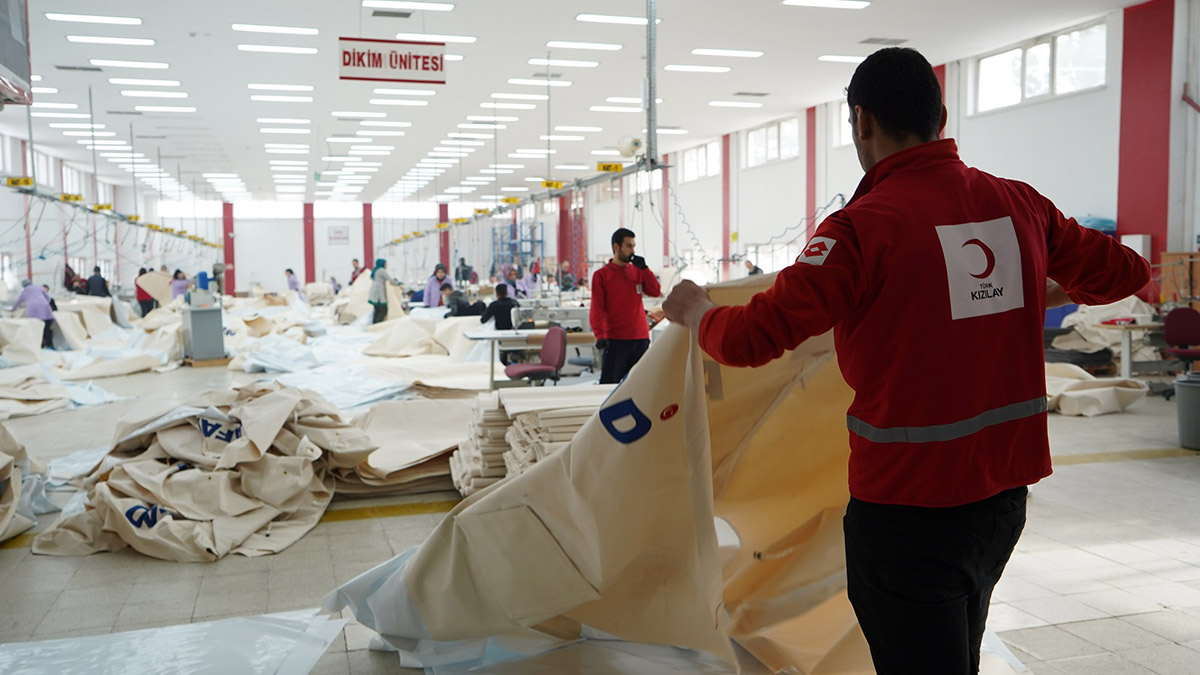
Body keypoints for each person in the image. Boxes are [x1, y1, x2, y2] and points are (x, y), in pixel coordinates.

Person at [662, 47, 1150, 675]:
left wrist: (699, 310)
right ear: (940, 115)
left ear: (862, 121)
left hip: (907, 514)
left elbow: (751, 339)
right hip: (1002, 498)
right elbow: (1127, 272)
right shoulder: (1020, 205)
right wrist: (1032, 290)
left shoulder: (861, 230)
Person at [591, 227, 661, 384]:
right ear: (616, 247)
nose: (632, 250)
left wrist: (645, 269)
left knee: (639, 385)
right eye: (628, 246)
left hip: (640, 338)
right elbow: (597, 308)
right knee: (610, 385)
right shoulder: (602, 276)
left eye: (633, 246)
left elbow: (655, 291)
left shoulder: (637, 271)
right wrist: (600, 335)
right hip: (616, 340)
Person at [12, 279, 55, 349]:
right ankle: (49, 345)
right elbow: (48, 297)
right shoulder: (39, 287)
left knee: (36, 328)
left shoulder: (25, 291)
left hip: (33, 309)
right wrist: (45, 302)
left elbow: (18, 301)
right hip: (44, 307)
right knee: (46, 328)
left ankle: (39, 345)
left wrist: (13, 309)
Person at [368, 258, 398, 324]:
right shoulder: (381, 271)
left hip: (374, 292)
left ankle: (374, 325)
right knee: (383, 310)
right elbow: (390, 280)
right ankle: (377, 325)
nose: (386, 265)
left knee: (377, 310)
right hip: (378, 293)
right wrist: (398, 284)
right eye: (386, 264)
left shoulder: (375, 271)